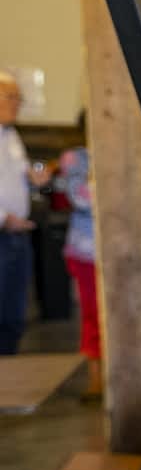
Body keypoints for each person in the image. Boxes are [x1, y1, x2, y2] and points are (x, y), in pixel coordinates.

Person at [0, 71, 51, 355]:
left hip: (17, 235)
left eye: (18, 98)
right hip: (4, 231)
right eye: (11, 97)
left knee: (13, 315)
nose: (17, 104)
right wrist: (4, 218)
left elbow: (19, 174)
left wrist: (35, 177)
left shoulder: (11, 135)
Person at [57, 114, 101, 396]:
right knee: (93, 314)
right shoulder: (75, 158)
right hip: (87, 250)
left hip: (120, 251)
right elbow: (81, 198)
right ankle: (96, 379)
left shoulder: (126, 156)